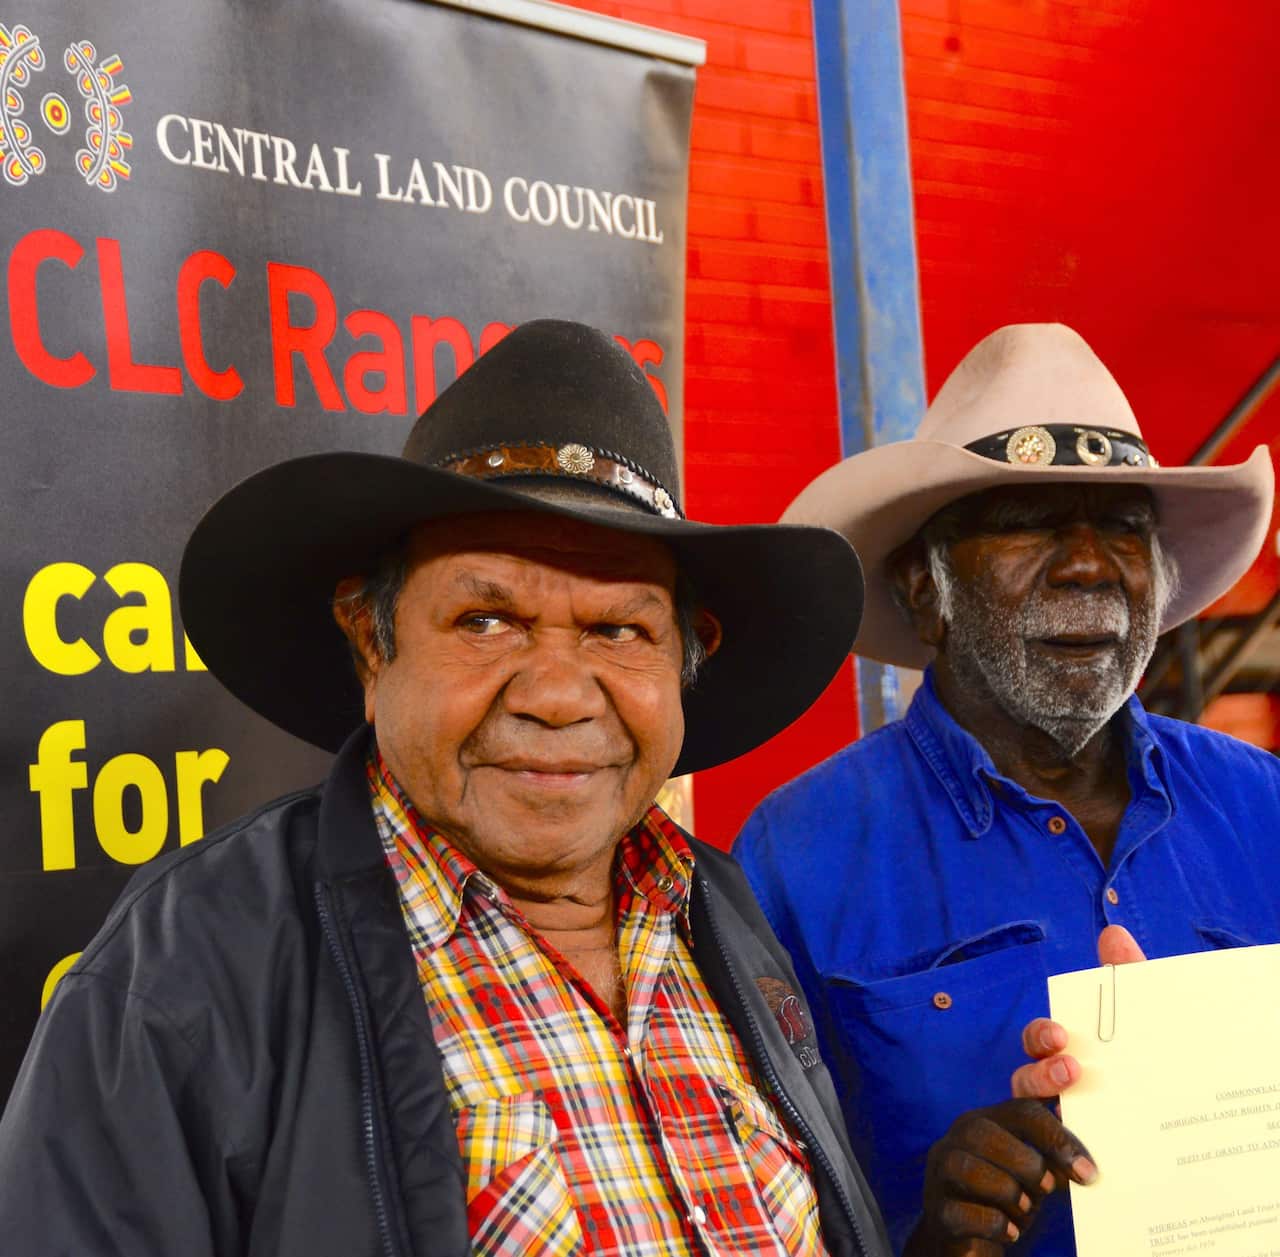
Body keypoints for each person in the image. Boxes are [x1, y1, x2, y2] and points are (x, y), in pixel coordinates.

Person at [0, 320, 893, 1257]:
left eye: (619, 630)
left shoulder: (721, 912)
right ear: (370, 644)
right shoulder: (191, 966)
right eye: (486, 617)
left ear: (683, 659)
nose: (556, 694)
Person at [732, 323, 1280, 1255]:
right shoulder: (797, 855)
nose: (1085, 563)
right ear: (924, 590)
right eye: (1029, 520)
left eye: (1120, 528)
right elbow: (753, 1201)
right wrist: (922, 1236)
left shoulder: (1263, 806)